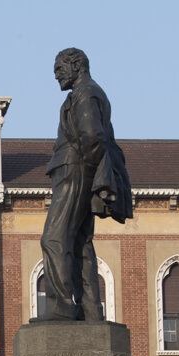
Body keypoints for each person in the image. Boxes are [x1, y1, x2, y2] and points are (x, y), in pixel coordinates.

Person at [36, 48, 132, 322]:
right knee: (80, 244)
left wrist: (85, 172)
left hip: (74, 170)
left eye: (59, 69)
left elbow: (92, 135)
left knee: (54, 238)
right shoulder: (84, 94)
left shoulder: (86, 93)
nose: (56, 76)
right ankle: (91, 311)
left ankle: (61, 306)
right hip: (76, 170)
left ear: (76, 65)